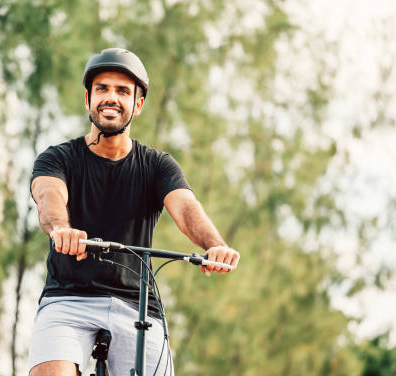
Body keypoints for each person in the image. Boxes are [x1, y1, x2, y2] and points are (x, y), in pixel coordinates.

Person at [28, 48, 240, 376]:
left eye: (123, 91)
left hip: (137, 305)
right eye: (102, 89)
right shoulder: (58, 158)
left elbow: (185, 208)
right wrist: (61, 229)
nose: (111, 98)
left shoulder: (156, 166)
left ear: (138, 105)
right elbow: (49, 196)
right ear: (88, 99)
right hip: (68, 301)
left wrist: (214, 245)